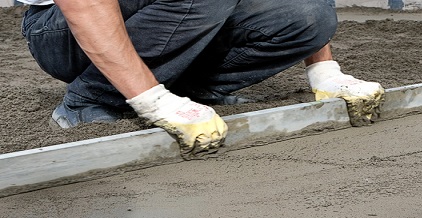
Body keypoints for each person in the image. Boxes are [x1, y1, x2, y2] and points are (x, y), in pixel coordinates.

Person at [19, 0, 384, 159]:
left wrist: (325, 71)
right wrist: (150, 101)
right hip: (62, 31)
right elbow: (85, 5)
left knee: (308, 14)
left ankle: (187, 90)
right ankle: (90, 100)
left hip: (164, 16)